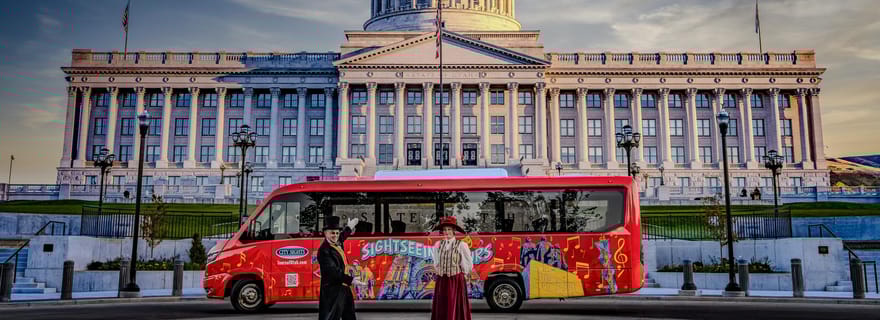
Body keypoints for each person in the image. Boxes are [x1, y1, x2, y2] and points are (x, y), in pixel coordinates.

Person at [318, 216, 364, 320]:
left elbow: (342, 236)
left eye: (336, 233)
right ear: (326, 233)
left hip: (343, 287)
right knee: (332, 317)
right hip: (333, 291)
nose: (335, 235)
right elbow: (333, 272)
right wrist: (351, 280)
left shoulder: (337, 242)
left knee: (349, 315)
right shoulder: (324, 251)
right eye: (332, 233)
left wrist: (349, 227)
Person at [431, 216, 474, 320]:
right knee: (442, 305)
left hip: (455, 280)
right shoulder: (438, 244)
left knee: (453, 304)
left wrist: (463, 272)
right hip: (442, 280)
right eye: (445, 229)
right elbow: (436, 261)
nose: (447, 232)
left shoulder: (461, 245)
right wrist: (438, 270)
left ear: (454, 231)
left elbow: (468, 263)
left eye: (449, 229)